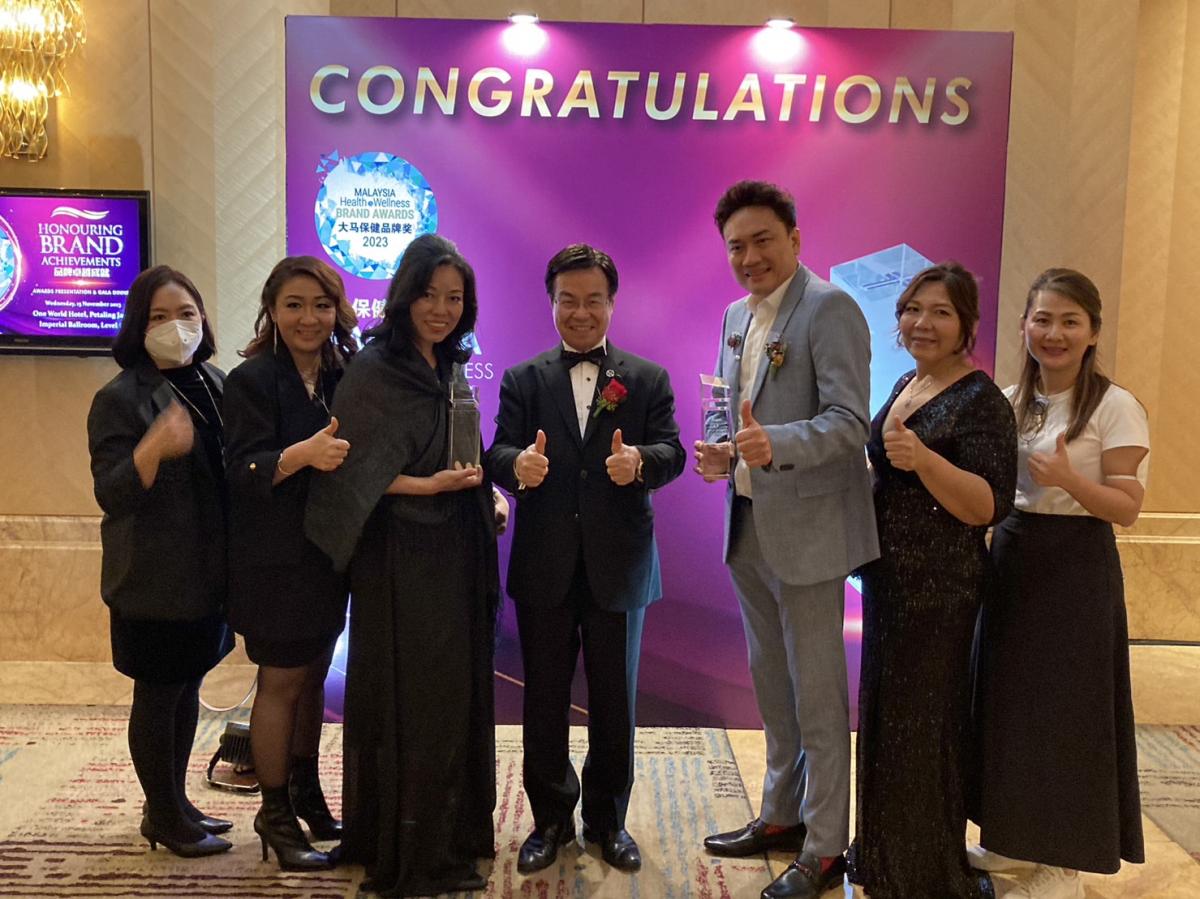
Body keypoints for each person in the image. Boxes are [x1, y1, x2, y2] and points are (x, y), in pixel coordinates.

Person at [695, 180, 877, 899]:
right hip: (748, 527)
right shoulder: (735, 315)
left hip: (809, 534)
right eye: (736, 246)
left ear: (795, 238)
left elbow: (849, 422)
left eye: (763, 240)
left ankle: (826, 846)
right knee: (773, 686)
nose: (750, 257)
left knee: (818, 696)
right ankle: (781, 813)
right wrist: (721, 450)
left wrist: (776, 444)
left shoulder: (830, 308)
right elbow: (726, 406)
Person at [304, 234, 499, 897]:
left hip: (454, 550)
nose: (441, 309)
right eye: (429, 295)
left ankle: (445, 836)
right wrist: (429, 487)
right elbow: (353, 471)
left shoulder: (449, 364)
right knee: (412, 702)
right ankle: (410, 854)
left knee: (448, 700)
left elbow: (463, 450)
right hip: (399, 558)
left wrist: (485, 493)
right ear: (405, 295)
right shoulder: (375, 368)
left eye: (455, 297)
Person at [486, 243, 685, 875]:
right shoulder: (522, 379)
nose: (580, 312)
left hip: (619, 565)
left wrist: (640, 463)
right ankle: (549, 820)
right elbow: (498, 452)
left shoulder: (647, 378)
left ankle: (607, 821)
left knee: (614, 702)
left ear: (611, 303)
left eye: (593, 300)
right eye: (567, 300)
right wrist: (516, 466)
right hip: (544, 563)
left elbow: (674, 451)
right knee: (543, 699)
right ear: (551, 303)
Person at [971, 268, 1148, 899]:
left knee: (1068, 711)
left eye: (1070, 321)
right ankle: (1011, 836)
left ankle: (1063, 863)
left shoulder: (1115, 406)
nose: (1054, 333)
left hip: (1077, 564)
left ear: (1093, 332)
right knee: (1010, 702)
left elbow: (1128, 508)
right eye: (1042, 319)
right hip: (1014, 556)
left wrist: (1070, 479)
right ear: (1024, 325)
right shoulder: (1011, 398)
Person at [848, 262, 1016, 899]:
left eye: (941, 312)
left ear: (966, 323)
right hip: (889, 579)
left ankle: (924, 873)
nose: (923, 323)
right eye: (913, 309)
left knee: (924, 727)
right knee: (886, 718)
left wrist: (923, 460)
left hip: (940, 587)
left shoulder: (981, 400)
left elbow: (987, 505)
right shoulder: (906, 383)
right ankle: (884, 856)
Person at [86, 265, 234, 858]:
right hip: (152, 577)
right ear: (138, 326)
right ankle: (164, 816)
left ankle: (173, 801)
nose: (176, 326)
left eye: (187, 313)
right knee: (158, 692)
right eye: (160, 316)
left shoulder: (216, 382)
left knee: (188, 684)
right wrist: (152, 448)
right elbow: (111, 492)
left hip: (209, 571)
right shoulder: (119, 398)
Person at [223, 256, 357, 870]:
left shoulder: (344, 372)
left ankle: (305, 790)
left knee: (313, 677)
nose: (309, 318)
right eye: (295, 305)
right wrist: (299, 455)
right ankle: (273, 813)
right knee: (280, 682)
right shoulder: (251, 380)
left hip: (329, 555)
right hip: (273, 560)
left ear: (337, 310)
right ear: (272, 311)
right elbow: (239, 473)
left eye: (321, 305)